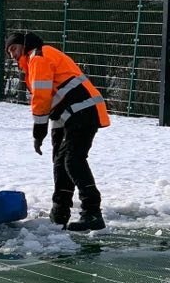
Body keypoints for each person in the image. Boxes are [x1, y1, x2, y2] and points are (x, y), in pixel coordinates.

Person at [6, 31, 109, 231]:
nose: (13, 55)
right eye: (10, 52)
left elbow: (42, 97)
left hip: (83, 111)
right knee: (61, 162)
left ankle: (92, 212)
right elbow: (56, 99)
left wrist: (38, 131)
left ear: (23, 46)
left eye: (14, 48)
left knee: (73, 159)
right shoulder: (36, 59)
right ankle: (60, 211)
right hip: (71, 114)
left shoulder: (38, 57)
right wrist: (52, 134)